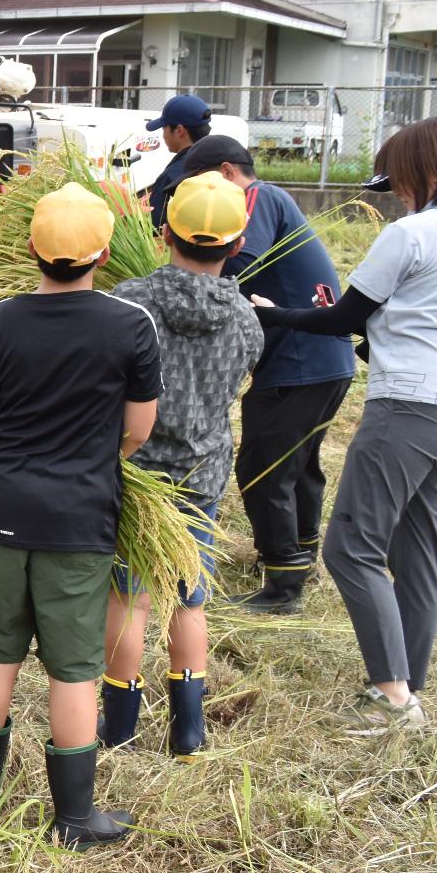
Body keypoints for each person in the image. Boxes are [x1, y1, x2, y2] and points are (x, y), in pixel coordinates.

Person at [0, 183, 160, 849]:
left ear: (32, 248)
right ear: (103, 251)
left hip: (3, 509)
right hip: (82, 516)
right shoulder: (131, 325)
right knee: (74, 667)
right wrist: (92, 458)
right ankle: (72, 818)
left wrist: (7, 466)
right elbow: (139, 429)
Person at [252, 116, 437, 733]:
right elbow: (384, 325)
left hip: (409, 408)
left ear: (424, 171)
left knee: (351, 548)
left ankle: (392, 697)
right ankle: (406, 694)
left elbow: (346, 314)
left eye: (399, 181)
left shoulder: (412, 234)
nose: (396, 193)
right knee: (417, 551)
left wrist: (273, 312)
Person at [101, 173, 263, 758]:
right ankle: (188, 729)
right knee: (191, 598)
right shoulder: (247, 319)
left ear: (164, 232)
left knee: (128, 597)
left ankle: (119, 725)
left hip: (138, 474)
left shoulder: (130, 302)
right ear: (236, 245)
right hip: (203, 474)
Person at [166, 136, 358, 613]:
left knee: (263, 469)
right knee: (298, 467)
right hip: (324, 360)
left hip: (299, 361)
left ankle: (283, 585)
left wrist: (172, 274)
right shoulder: (274, 199)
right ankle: (298, 559)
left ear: (227, 172)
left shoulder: (259, 197)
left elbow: (241, 267)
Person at [143, 93, 214, 229]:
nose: (163, 135)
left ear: (179, 131)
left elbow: (152, 225)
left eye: (164, 128)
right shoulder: (219, 162)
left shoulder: (172, 176)